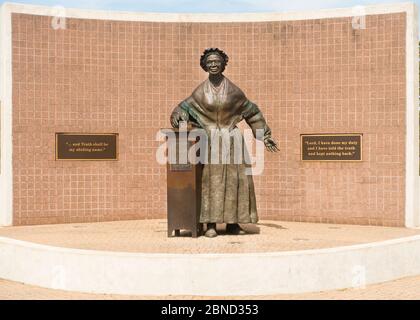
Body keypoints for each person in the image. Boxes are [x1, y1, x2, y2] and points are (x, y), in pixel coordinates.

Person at [170, 48, 279, 238]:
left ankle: (233, 223)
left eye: (217, 62)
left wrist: (264, 135)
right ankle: (210, 223)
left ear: (223, 64)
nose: (213, 65)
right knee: (210, 181)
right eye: (210, 62)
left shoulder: (234, 91)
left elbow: (252, 113)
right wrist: (179, 115)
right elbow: (181, 109)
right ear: (205, 65)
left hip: (232, 140)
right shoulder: (199, 92)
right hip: (209, 140)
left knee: (235, 181)